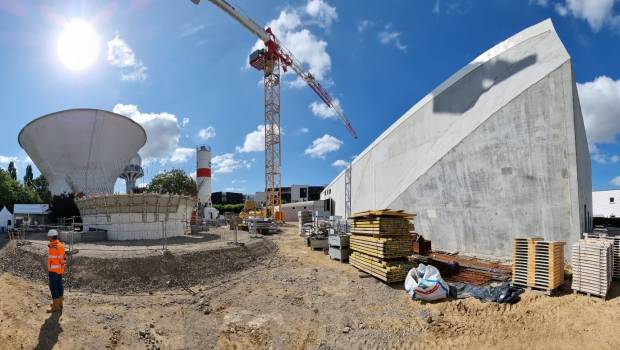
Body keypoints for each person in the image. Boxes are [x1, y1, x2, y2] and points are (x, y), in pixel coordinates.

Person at [46, 229, 66, 313]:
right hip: (60, 270)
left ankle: (55, 306)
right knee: (59, 286)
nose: (48, 238)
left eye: (49, 237)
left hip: (53, 270)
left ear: (51, 237)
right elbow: (63, 258)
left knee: (53, 287)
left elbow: (53, 258)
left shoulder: (53, 247)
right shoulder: (61, 245)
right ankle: (60, 303)